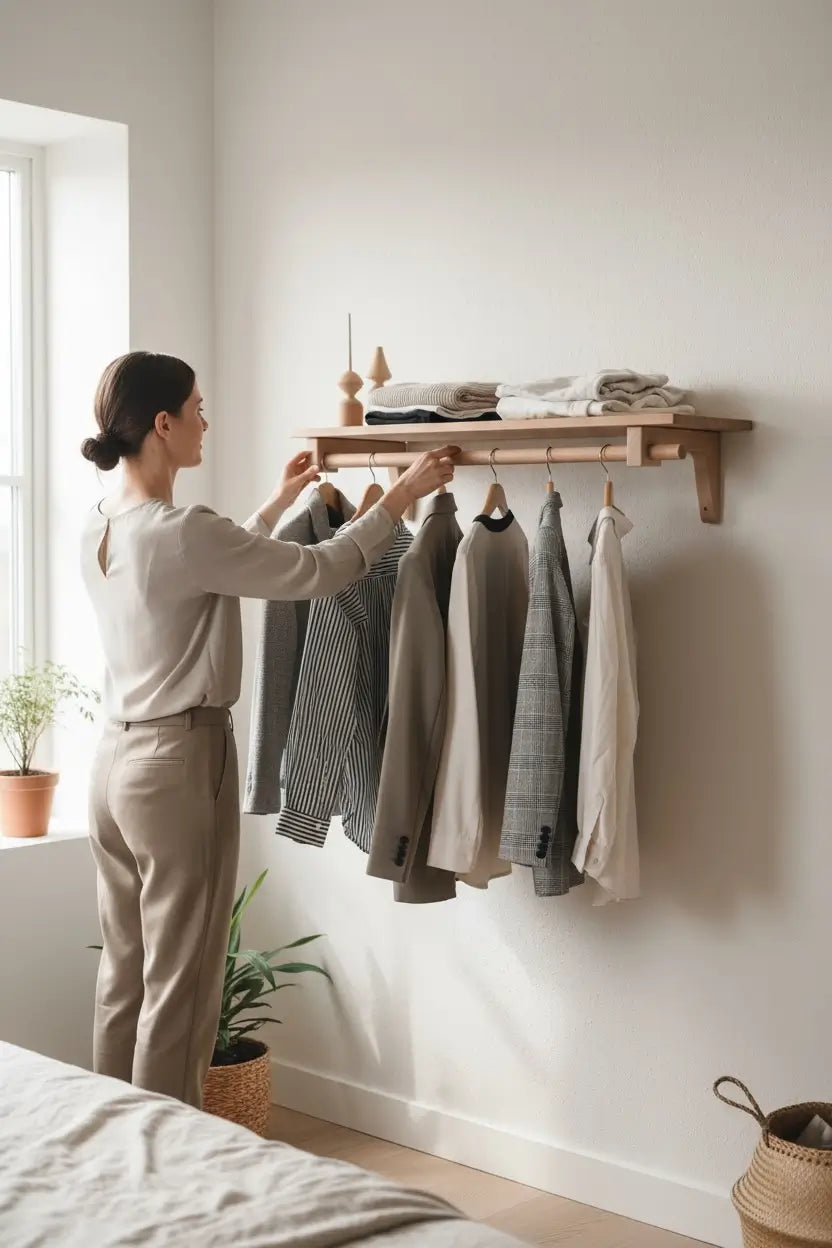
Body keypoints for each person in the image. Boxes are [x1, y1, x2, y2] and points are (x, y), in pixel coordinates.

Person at [80, 350, 456, 1108]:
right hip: (178, 763)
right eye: (197, 409)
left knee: (125, 973)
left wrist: (271, 508)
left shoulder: (104, 521)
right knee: (181, 987)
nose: (205, 423)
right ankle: (169, 1168)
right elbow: (317, 572)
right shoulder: (182, 530)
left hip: (113, 764)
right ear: (163, 424)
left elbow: (206, 565)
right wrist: (400, 500)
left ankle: (109, 1150)